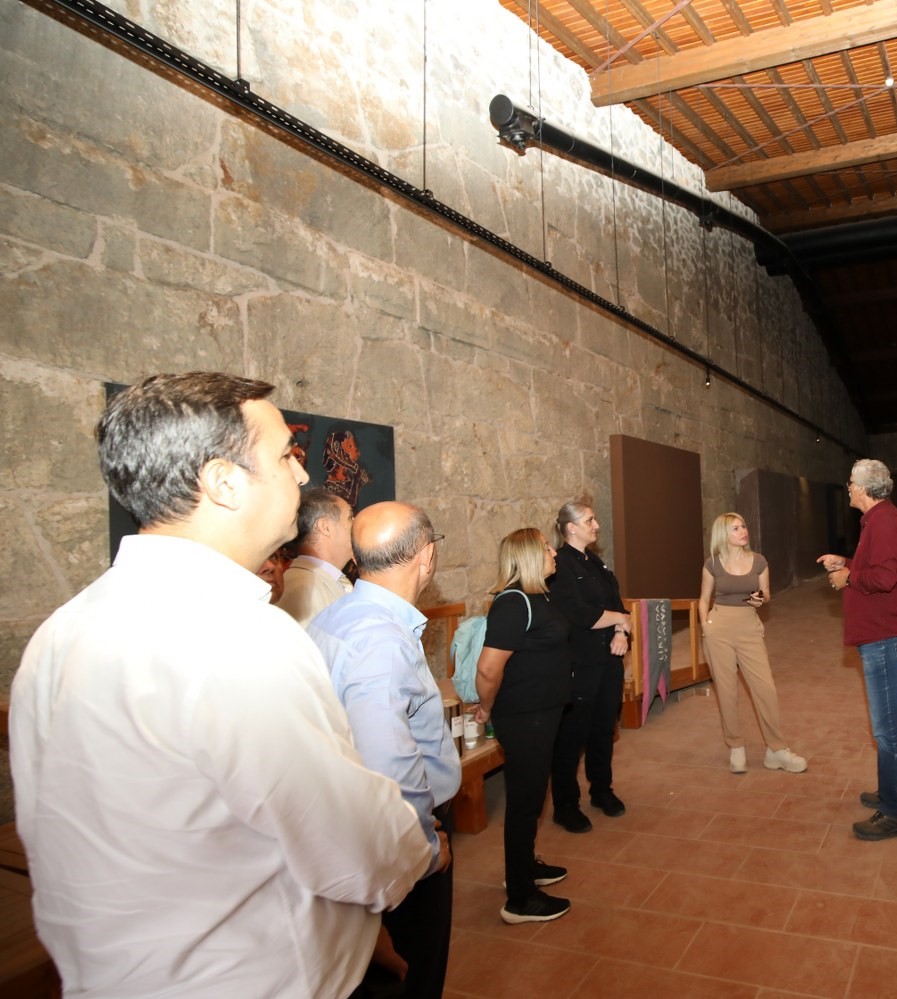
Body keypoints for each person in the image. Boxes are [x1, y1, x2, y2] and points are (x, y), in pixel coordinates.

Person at [8, 372, 430, 997]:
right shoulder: (237, 636)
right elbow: (354, 844)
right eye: (285, 455)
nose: (302, 475)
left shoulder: (61, 631)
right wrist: (414, 857)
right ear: (223, 482)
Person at [309, 502, 461, 998]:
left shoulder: (336, 616)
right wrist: (425, 848)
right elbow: (390, 768)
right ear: (427, 556)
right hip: (398, 846)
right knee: (415, 974)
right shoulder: (381, 640)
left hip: (348, 827)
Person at [473, 528, 572, 924]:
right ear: (529, 555)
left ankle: (525, 867)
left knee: (532, 797)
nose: (554, 553)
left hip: (542, 713)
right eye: (547, 548)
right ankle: (520, 898)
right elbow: (488, 668)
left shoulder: (537, 596)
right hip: (524, 717)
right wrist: (486, 708)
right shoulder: (513, 603)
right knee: (524, 802)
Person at [817, 458, 897, 841]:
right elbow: (875, 567)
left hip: (883, 636)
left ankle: (895, 814)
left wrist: (848, 577)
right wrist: (845, 562)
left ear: (862, 488)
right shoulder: (878, 519)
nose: (847, 488)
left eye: (850, 482)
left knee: (887, 728)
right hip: (881, 633)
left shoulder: (883, 522)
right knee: (890, 725)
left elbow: (886, 577)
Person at [698, 512, 808, 775]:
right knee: (727, 691)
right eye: (735, 528)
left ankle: (776, 749)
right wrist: (706, 627)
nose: (743, 531)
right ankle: (736, 746)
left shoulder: (759, 561)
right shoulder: (712, 563)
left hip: (749, 627)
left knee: (765, 688)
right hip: (719, 629)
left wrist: (761, 598)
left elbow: (766, 594)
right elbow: (703, 599)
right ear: (723, 534)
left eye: (743, 526)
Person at [547, 497, 631, 833]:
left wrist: (622, 631)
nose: (597, 525)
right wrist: (619, 619)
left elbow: (617, 605)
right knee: (573, 734)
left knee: (603, 728)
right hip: (580, 663)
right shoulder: (560, 565)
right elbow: (582, 615)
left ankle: (601, 789)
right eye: (590, 521)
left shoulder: (595, 562)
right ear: (571, 527)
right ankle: (565, 805)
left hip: (609, 660)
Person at [281, 485, 356, 626]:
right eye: (350, 517)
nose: (356, 524)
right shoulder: (300, 589)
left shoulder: (329, 580)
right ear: (325, 527)